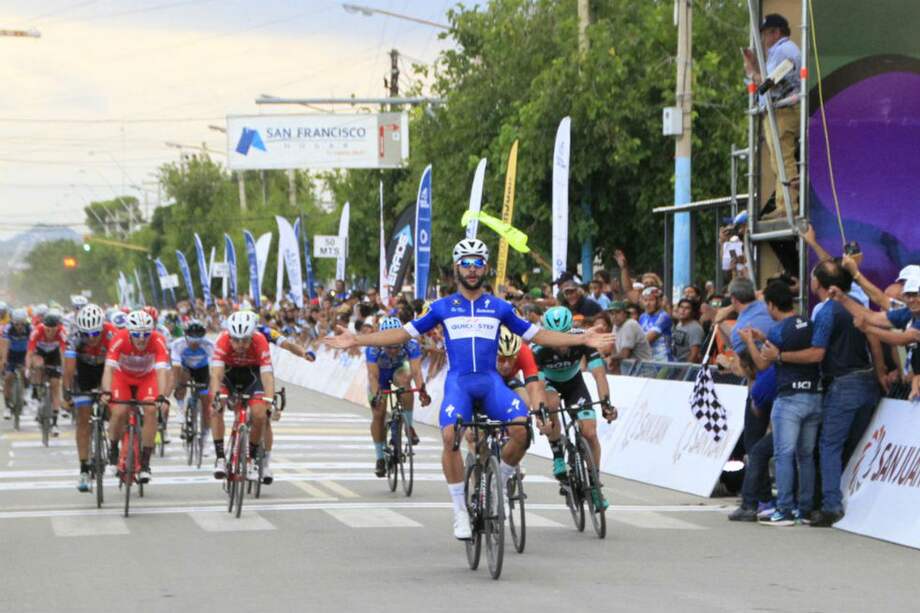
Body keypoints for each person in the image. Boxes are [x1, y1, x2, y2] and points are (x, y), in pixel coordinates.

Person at [324, 238, 614, 540]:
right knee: (450, 436)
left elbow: (539, 335)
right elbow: (401, 333)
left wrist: (581, 339)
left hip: (491, 384)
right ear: (456, 267)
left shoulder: (500, 307)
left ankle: (500, 480)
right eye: (466, 263)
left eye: (478, 263)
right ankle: (460, 509)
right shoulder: (442, 307)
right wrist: (358, 340)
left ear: (485, 267)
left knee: (521, 430)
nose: (472, 269)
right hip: (460, 383)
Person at [763, 260, 883, 527]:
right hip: (867, 382)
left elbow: (818, 353)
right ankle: (827, 502)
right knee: (850, 446)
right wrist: (881, 374)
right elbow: (874, 339)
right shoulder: (855, 305)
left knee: (829, 446)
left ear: (819, 284)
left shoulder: (828, 311)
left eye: (813, 277)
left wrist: (780, 355)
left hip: (842, 384)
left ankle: (830, 505)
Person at [741, 282, 821, 526]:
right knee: (805, 456)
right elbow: (793, 341)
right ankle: (804, 509)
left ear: (772, 305)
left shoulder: (778, 331)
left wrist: (749, 342)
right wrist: (764, 337)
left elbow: (763, 363)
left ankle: (784, 509)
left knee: (783, 454)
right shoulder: (809, 323)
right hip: (815, 397)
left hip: (789, 400)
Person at [532, 306, 615, 499]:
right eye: (554, 335)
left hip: (574, 383)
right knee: (551, 403)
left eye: (564, 335)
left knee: (590, 433)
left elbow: (599, 375)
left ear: (572, 330)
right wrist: (541, 415)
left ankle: (594, 482)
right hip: (550, 383)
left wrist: (606, 404)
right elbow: (538, 387)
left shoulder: (584, 340)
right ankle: (558, 453)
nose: (560, 342)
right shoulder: (539, 349)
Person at [742, 13, 801, 221]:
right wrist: (757, 69)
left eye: (766, 33)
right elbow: (770, 81)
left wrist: (752, 72)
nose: (764, 39)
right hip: (780, 110)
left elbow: (771, 82)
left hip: (784, 111)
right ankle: (784, 204)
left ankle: (788, 206)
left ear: (776, 32)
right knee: (779, 159)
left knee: (783, 158)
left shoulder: (785, 49)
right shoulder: (783, 50)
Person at [101, 310, 170, 484]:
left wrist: (161, 396)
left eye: (146, 334)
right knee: (119, 411)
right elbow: (109, 368)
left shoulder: (158, 339)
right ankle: (113, 452)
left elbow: (162, 371)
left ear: (151, 332)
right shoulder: (119, 338)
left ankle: (145, 464)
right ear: (129, 332)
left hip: (146, 379)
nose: (141, 338)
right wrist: (107, 391)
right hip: (121, 378)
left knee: (151, 410)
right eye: (136, 334)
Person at [209, 311, 277, 484]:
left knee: (260, 415)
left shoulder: (260, 340)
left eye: (245, 340)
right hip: (228, 375)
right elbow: (216, 375)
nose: (240, 344)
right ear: (229, 336)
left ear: (252, 336)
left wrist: (270, 402)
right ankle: (220, 458)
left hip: (252, 376)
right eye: (236, 340)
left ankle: (252, 460)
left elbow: (267, 376)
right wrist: (217, 398)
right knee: (216, 409)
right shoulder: (222, 340)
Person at [365, 316, 431, 478]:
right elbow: (373, 376)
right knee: (379, 414)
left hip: (398, 370)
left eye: (396, 347)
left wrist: (422, 390)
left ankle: (408, 426)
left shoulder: (411, 343)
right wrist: (377, 396)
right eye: (389, 347)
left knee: (405, 382)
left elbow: (416, 372)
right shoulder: (373, 347)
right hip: (380, 375)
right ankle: (380, 457)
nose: (393, 351)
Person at [62, 304, 118, 492]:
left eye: (95, 333)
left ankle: (115, 446)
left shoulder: (112, 334)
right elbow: (69, 370)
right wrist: (67, 392)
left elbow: (114, 367)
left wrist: (106, 391)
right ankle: (84, 469)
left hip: (106, 369)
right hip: (83, 373)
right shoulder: (74, 336)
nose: (92, 338)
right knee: (83, 419)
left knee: (114, 408)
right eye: (88, 334)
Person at [169, 320, 214, 448]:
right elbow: (176, 368)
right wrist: (177, 385)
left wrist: (211, 386)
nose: (194, 344)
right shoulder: (178, 344)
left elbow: (214, 369)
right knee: (181, 379)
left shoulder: (209, 345)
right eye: (192, 341)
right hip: (185, 368)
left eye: (197, 342)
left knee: (206, 402)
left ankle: (204, 437)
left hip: (202, 370)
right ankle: (181, 409)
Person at [26, 309, 68, 437]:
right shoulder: (37, 331)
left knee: (55, 385)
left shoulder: (62, 332)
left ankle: (55, 423)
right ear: (44, 326)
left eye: (53, 329)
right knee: (38, 365)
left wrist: (64, 370)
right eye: (48, 329)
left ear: (58, 327)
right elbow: (30, 352)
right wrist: (28, 368)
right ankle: (37, 391)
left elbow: (63, 354)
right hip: (40, 353)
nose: (50, 332)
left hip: (54, 355)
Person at [496, 326, 545, 410]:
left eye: (511, 358)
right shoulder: (485, 353)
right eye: (502, 359)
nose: (506, 365)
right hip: (486, 379)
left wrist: (539, 415)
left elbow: (533, 386)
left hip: (509, 378)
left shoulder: (523, 351)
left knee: (525, 401)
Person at [1, 308, 31, 419]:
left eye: (21, 324)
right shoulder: (8, 329)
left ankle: (26, 396)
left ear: (24, 322)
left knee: (25, 373)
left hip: (24, 354)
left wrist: (29, 363)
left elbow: (32, 346)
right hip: (11, 354)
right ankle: (7, 406)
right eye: (16, 324)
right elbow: (4, 345)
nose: (19, 326)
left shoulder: (29, 328)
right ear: (12, 322)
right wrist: (4, 360)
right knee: (8, 377)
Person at [606, 301, 652, 373]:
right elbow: (614, 349)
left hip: (644, 370)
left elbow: (624, 354)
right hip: (631, 369)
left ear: (625, 314)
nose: (614, 316)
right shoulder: (615, 326)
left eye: (617, 312)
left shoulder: (630, 324)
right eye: (611, 313)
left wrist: (610, 358)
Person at [638, 287, 672, 362]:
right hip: (649, 361)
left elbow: (648, 339)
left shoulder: (663, 316)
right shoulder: (642, 317)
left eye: (651, 300)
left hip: (664, 362)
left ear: (659, 301)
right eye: (645, 300)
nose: (647, 304)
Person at [671, 298, 704, 363]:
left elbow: (694, 354)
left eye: (687, 308)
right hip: (677, 364)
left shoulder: (695, 328)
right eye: (681, 307)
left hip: (687, 368)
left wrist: (686, 371)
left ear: (693, 312)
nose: (683, 310)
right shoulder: (679, 324)